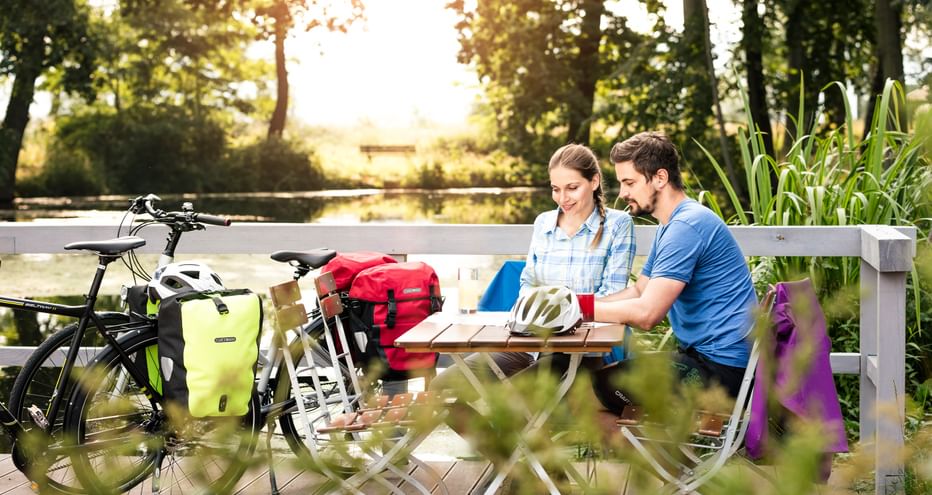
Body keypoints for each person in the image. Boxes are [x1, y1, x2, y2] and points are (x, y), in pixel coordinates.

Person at [429, 143, 635, 398]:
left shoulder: (618, 225)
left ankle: (510, 436)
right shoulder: (544, 223)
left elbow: (613, 294)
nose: (563, 199)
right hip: (528, 345)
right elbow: (528, 283)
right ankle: (500, 438)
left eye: (572, 188)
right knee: (441, 389)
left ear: (594, 181)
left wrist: (557, 319)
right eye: (556, 189)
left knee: (508, 403)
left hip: (581, 351)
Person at [586, 131, 758, 414]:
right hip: (711, 362)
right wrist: (578, 303)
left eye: (629, 182)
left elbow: (647, 315)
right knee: (602, 380)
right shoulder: (671, 224)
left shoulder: (685, 227)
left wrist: (581, 310)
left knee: (593, 390)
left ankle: (666, 458)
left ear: (660, 178)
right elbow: (639, 291)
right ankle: (668, 457)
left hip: (723, 373)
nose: (623, 193)